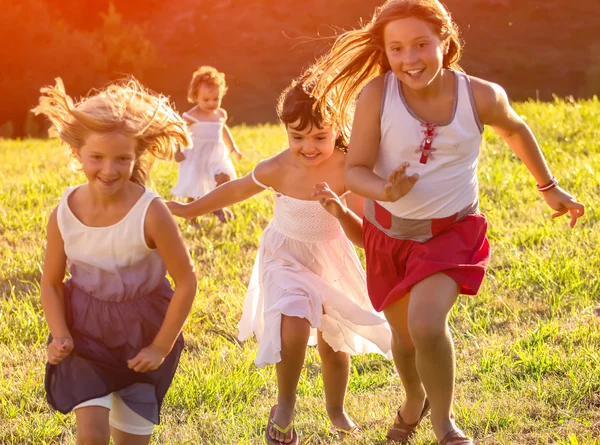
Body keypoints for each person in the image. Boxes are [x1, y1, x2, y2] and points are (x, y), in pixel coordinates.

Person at [307, 1, 585, 443]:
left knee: (426, 323)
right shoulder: (378, 95)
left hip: (450, 233)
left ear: (446, 42)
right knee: (404, 337)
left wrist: (548, 186)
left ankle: (444, 424)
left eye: (421, 44)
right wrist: (385, 191)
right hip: (388, 234)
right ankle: (413, 399)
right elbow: (356, 168)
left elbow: (515, 129)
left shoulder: (480, 96)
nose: (409, 59)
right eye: (396, 49)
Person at [168, 74, 391, 444]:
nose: (307, 147)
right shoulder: (277, 168)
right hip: (284, 256)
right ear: (285, 130)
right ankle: (285, 405)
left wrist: (339, 211)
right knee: (293, 321)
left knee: (334, 345)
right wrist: (190, 211)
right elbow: (236, 189)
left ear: (336, 129)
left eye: (319, 137)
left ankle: (336, 409)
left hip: (330, 257)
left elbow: (365, 238)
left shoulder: (347, 169)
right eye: (297, 137)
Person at [35, 77, 198, 445]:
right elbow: (50, 282)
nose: (109, 170)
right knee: (90, 436)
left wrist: (161, 346)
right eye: (97, 158)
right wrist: (60, 333)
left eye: (122, 159)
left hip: (142, 334)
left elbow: (186, 281)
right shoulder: (63, 213)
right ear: (77, 153)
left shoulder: (152, 213)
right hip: (84, 332)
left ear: (136, 156)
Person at [172, 66, 243, 223]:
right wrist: (177, 150)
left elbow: (223, 129)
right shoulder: (191, 116)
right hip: (196, 156)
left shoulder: (220, 114)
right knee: (195, 191)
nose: (211, 103)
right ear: (195, 96)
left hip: (216, 155)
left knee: (224, 177)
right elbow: (178, 131)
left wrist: (233, 148)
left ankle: (217, 206)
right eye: (206, 100)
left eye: (216, 99)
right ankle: (192, 217)